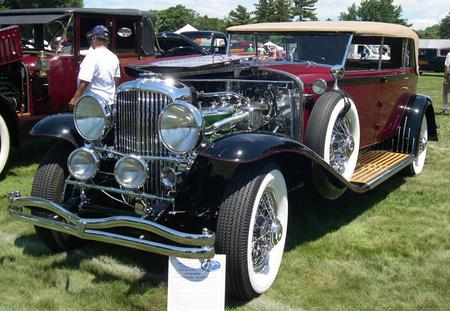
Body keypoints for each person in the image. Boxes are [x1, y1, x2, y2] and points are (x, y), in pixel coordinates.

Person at [69, 25, 120, 109]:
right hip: (109, 103)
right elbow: (116, 80)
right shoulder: (114, 57)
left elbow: (85, 81)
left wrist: (75, 99)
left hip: (93, 104)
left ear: (94, 39)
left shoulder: (91, 56)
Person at [443, 50, 450, 115]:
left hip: (449, 76)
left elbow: (447, 66)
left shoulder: (449, 54)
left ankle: (445, 108)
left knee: (445, 92)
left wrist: (445, 77)